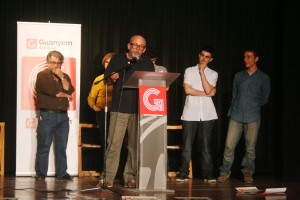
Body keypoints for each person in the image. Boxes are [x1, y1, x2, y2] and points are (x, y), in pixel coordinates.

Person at [99, 35, 154, 188]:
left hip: (139, 109)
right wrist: (112, 78)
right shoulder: (118, 59)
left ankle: (130, 177)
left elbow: (152, 83)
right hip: (120, 108)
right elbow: (107, 79)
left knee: (135, 146)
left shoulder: (147, 62)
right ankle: (107, 178)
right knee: (114, 144)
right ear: (129, 45)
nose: (138, 49)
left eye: (142, 47)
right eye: (135, 45)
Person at [217, 49, 271, 184]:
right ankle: (225, 172)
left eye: (249, 57)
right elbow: (234, 96)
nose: (245, 59)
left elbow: (264, 98)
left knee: (250, 147)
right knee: (229, 145)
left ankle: (248, 172)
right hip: (236, 114)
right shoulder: (239, 76)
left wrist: (252, 106)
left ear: (256, 59)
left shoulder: (263, 77)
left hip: (253, 116)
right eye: (244, 57)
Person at [176, 46, 218, 183]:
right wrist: (208, 94)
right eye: (202, 55)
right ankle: (183, 173)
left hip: (207, 114)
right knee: (187, 146)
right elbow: (188, 90)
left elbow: (207, 87)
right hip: (190, 113)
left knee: (205, 146)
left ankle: (208, 174)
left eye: (207, 57)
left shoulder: (213, 74)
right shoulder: (189, 70)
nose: (203, 58)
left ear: (210, 59)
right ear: (199, 55)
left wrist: (202, 72)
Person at [35, 50, 75, 181]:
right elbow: (54, 92)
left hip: (63, 117)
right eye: (53, 62)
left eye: (58, 63)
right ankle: (41, 173)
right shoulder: (42, 75)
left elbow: (69, 89)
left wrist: (62, 77)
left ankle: (62, 172)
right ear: (47, 62)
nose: (56, 65)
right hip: (48, 116)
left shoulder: (64, 76)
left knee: (62, 146)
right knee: (44, 145)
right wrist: (65, 95)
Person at [87, 53, 115, 170]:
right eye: (106, 62)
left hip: (116, 113)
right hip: (102, 113)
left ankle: (116, 169)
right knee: (105, 141)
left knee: (114, 142)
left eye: (111, 62)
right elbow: (91, 97)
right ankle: (105, 169)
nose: (108, 64)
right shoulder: (99, 79)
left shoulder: (120, 78)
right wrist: (94, 107)